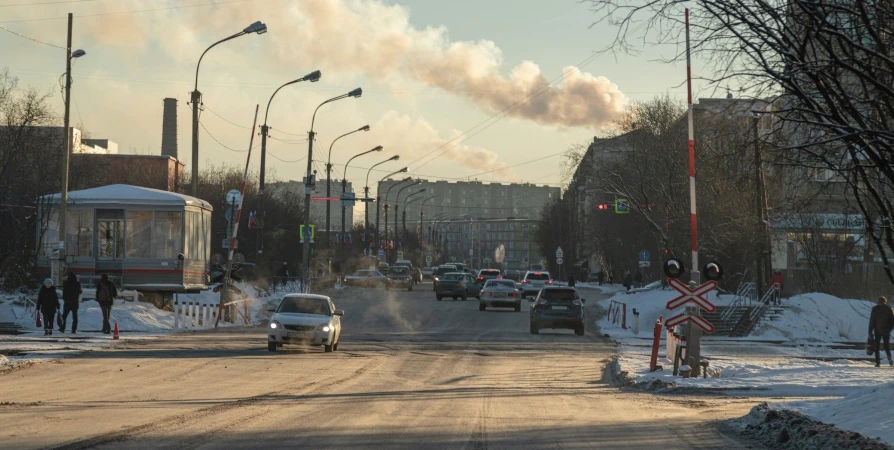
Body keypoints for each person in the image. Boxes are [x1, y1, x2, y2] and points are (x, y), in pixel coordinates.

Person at [869, 296, 894, 367]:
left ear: (878, 301)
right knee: (886, 346)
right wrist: (889, 329)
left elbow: (872, 321)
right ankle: (889, 359)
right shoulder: (889, 309)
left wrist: (870, 332)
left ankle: (877, 362)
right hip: (886, 331)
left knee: (876, 347)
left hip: (877, 331)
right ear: (885, 301)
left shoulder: (875, 309)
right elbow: (892, 321)